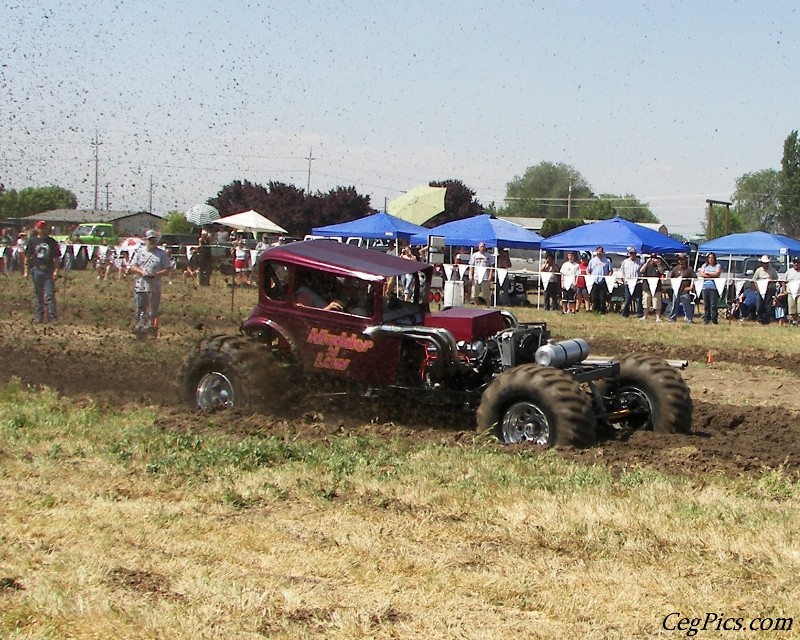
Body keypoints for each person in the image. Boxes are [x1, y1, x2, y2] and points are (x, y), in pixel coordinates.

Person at [128, 229, 173, 335]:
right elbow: (132, 266)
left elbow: (168, 269)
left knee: (153, 309)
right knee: (140, 307)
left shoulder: (162, 254)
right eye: (150, 239)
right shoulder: (139, 252)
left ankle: (153, 328)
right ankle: (140, 327)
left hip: (155, 286)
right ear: (146, 240)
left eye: (154, 239)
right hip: (140, 285)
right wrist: (141, 272)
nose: (152, 242)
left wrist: (156, 274)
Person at [24, 220, 61, 324]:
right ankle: (38, 317)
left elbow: (57, 258)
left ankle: (53, 318)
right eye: (40, 228)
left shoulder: (52, 242)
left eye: (44, 228)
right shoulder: (32, 241)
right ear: (37, 229)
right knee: (38, 294)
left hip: (48, 270)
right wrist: (26, 271)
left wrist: (56, 271)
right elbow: (27, 257)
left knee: (49, 294)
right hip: (36, 270)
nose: (43, 230)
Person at [668, 253, 696, 323]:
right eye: (680, 259)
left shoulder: (689, 269)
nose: (681, 261)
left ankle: (689, 319)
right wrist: (673, 285)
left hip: (685, 291)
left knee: (687, 306)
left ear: (685, 260)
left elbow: (694, 278)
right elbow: (671, 278)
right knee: (674, 305)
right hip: (677, 290)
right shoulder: (675, 268)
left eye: (682, 259)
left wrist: (691, 287)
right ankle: (672, 318)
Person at [752, 254, 778, 325]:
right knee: (759, 306)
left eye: (766, 263)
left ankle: (767, 320)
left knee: (768, 306)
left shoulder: (772, 270)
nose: (765, 264)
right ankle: (759, 319)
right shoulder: (758, 270)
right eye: (764, 263)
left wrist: (770, 282)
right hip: (760, 290)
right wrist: (757, 289)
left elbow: (776, 279)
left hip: (769, 290)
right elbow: (754, 280)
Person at [698, 252, 723, 324]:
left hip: (713, 287)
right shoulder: (704, 265)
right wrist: (711, 275)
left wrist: (708, 274)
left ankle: (714, 320)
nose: (710, 259)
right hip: (705, 287)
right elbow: (702, 274)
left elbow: (717, 273)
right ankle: (706, 319)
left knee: (713, 305)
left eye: (712, 258)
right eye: (709, 258)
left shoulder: (717, 265)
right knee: (706, 304)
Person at [639, 253, 664, 322]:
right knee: (646, 302)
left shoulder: (659, 265)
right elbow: (641, 271)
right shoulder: (647, 265)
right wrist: (647, 262)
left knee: (657, 303)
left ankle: (658, 317)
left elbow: (662, 272)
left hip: (657, 287)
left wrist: (658, 264)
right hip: (647, 286)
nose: (653, 259)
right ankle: (645, 316)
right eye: (652, 258)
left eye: (655, 258)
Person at [620, 247, 644, 319]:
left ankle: (640, 314)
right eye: (631, 253)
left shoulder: (640, 262)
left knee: (638, 300)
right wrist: (623, 280)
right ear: (629, 254)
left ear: (636, 254)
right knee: (627, 300)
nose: (632, 254)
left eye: (633, 253)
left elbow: (642, 272)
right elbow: (622, 272)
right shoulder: (625, 262)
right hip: (628, 283)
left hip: (637, 283)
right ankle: (625, 314)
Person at [588, 246, 612, 314]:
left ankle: (602, 311)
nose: (599, 253)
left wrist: (608, 277)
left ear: (603, 252)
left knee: (602, 298)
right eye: (598, 251)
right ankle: (595, 310)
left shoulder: (607, 261)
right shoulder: (592, 260)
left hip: (603, 281)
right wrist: (590, 277)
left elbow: (610, 271)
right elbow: (588, 270)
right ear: (596, 252)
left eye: (600, 251)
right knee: (594, 297)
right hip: (594, 281)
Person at [784, 256, 800, 325]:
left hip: (799, 293)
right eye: (794, 262)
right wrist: (784, 290)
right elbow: (783, 281)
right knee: (792, 309)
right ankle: (794, 321)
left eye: (797, 263)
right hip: (790, 293)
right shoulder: (789, 272)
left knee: (799, 309)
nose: (796, 264)